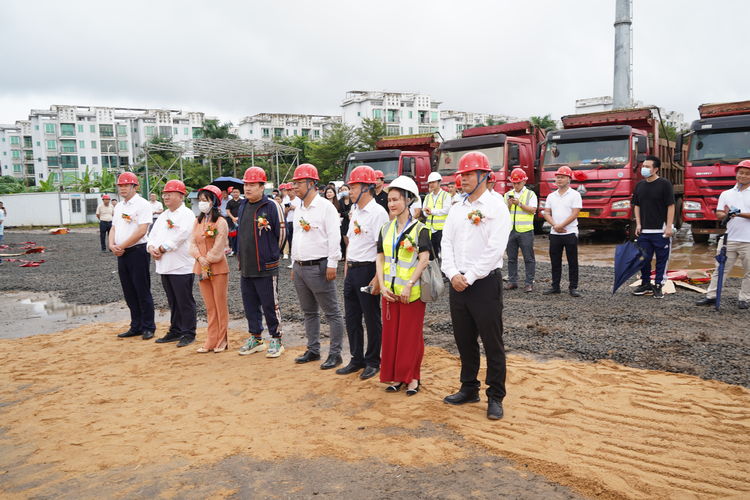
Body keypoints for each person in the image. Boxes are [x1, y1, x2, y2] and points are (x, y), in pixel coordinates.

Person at [441, 151, 511, 420]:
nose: (463, 179)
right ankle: (469, 387)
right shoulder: (457, 207)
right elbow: (446, 243)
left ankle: (496, 396)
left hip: (483, 283)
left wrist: (469, 277)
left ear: (484, 176)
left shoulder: (496, 206)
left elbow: (495, 249)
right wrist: (451, 273)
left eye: (469, 174)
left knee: (492, 342)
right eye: (462, 175)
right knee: (464, 340)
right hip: (457, 282)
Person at [376, 175, 431, 396]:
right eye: (389, 200)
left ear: (408, 200)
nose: (391, 204)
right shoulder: (385, 229)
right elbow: (380, 258)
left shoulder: (420, 229)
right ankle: (397, 376)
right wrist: (381, 285)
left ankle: (413, 378)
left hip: (412, 293)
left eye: (396, 199)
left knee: (410, 337)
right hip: (389, 292)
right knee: (391, 337)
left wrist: (409, 284)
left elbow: (424, 259)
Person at [290, 163, 345, 370]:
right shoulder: (299, 208)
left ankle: (335, 353)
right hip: (300, 267)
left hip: (319, 266)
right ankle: (313, 349)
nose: (295, 187)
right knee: (309, 312)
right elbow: (296, 237)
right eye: (294, 183)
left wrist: (333, 263)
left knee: (332, 312)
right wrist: (293, 264)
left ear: (312, 183)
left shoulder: (325, 207)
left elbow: (334, 236)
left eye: (299, 183)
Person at [337, 166, 389, 380]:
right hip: (352, 269)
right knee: (352, 317)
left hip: (368, 269)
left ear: (367, 188)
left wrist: (378, 277)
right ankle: (356, 358)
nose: (349, 191)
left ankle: (373, 360)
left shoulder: (378, 213)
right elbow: (351, 241)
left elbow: (382, 249)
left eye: (354, 187)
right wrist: (347, 267)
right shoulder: (356, 211)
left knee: (371, 317)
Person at [236, 167, 287, 358]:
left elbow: (282, 234)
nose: (247, 188)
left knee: (270, 304)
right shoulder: (242, 205)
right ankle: (256, 338)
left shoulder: (271, 206)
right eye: (246, 184)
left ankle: (276, 338)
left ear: (262, 186)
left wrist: (272, 255)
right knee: (250, 304)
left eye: (252, 184)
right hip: (246, 265)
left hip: (266, 266)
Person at [147, 180, 197, 347]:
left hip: (181, 265)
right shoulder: (163, 215)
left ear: (181, 196)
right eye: (164, 194)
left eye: (170, 194)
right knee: (173, 300)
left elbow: (181, 236)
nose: (166, 197)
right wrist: (151, 247)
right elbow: (152, 235)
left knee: (184, 301)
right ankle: (175, 330)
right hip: (165, 265)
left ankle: (188, 332)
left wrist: (162, 248)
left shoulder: (187, 214)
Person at [696, 160, 750, 309]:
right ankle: (711, 296)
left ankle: (745, 298)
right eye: (741, 172)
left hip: (748, 240)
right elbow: (719, 213)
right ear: (736, 174)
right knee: (720, 269)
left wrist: (738, 213)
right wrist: (726, 214)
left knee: (749, 272)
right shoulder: (726, 194)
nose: (743, 176)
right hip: (729, 239)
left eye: (747, 173)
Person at [110, 173, 156, 340]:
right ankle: (135, 325)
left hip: (137, 251)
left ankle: (148, 326)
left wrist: (121, 246)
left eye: (126, 185)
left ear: (135, 187)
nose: (122, 188)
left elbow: (142, 230)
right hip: (121, 253)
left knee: (142, 289)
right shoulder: (119, 206)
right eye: (120, 185)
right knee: (128, 291)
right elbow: (114, 227)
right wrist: (112, 245)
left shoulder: (142, 204)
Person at [190, 185, 230, 353]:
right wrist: (200, 258)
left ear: (213, 202)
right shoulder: (198, 221)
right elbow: (192, 243)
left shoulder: (221, 222)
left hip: (218, 267)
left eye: (205, 200)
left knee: (220, 304)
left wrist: (208, 260)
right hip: (201, 267)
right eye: (200, 200)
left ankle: (222, 340)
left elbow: (220, 245)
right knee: (209, 306)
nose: (202, 203)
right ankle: (211, 340)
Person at [631, 155, 676, 299]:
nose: (643, 169)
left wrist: (669, 226)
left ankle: (658, 285)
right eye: (643, 166)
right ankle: (645, 283)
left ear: (656, 169)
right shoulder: (640, 185)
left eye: (647, 166)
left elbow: (671, 206)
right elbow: (636, 205)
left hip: (660, 231)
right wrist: (638, 224)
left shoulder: (664, 184)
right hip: (644, 231)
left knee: (661, 260)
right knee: (644, 259)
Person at [542, 166, 582, 297]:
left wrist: (561, 225)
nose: (559, 179)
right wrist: (555, 225)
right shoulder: (551, 196)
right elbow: (546, 213)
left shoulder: (575, 195)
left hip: (570, 232)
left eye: (562, 177)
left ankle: (573, 287)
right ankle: (555, 286)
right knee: (555, 261)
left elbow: (575, 214)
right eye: (557, 177)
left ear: (569, 179)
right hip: (555, 233)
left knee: (572, 261)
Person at [503, 168, 538, 293]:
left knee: (528, 258)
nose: (516, 185)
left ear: (524, 182)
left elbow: (533, 210)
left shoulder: (530, 194)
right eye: (514, 183)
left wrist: (519, 204)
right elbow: (503, 213)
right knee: (511, 258)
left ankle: (529, 283)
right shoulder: (507, 195)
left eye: (518, 183)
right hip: (511, 231)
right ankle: (512, 281)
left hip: (525, 231)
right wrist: (509, 205)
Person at [423, 172, 451, 260]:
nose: (431, 184)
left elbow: (446, 210)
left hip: (441, 229)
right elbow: (424, 211)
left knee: (443, 253)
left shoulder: (445, 195)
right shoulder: (428, 197)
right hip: (429, 229)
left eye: (433, 182)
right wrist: (426, 212)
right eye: (430, 182)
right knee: (431, 254)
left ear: (439, 182)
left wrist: (432, 211)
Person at [283, 183, 301, 267]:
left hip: (296, 222)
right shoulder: (285, 200)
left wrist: (294, 208)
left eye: (290, 190)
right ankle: (290, 257)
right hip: (288, 221)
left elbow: (303, 211)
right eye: (287, 190)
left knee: (296, 241)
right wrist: (287, 210)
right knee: (288, 240)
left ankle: (295, 261)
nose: (289, 192)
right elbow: (284, 214)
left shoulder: (299, 200)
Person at [226, 188, 242, 256]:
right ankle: (233, 250)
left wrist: (239, 217)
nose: (235, 193)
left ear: (239, 193)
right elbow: (228, 211)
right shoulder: (230, 202)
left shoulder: (243, 201)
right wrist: (233, 218)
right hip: (232, 221)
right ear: (231, 193)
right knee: (233, 236)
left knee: (241, 236)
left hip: (241, 220)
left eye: (237, 192)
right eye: (234, 192)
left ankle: (240, 250)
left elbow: (245, 210)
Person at [338, 184, 353, 259]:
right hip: (344, 223)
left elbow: (353, 211)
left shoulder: (353, 200)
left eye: (345, 189)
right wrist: (347, 214)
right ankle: (347, 257)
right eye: (342, 190)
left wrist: (344, 214)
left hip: (352, 222)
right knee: (346, 242)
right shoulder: (340, 201)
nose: (344, 191)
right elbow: (340, 212)